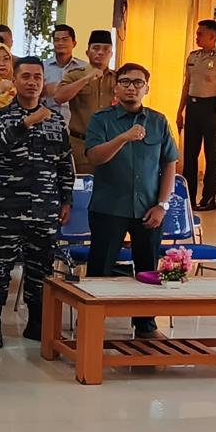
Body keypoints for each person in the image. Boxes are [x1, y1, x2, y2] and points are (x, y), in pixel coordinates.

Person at [0, 57, 74, 349]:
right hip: (10, 207)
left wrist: (66, 198)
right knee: (0, 268)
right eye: (26, 77)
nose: (32, 82)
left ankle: (36, 323)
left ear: (43, 82)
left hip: (44, 208)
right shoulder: (1, 118)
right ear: (16, 81)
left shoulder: (56, 120)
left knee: (40, 269)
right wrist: (26, 123)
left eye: (37, 77)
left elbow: (63, 164)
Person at [84, 63, 178, 339]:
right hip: (109, 208)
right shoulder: (101, 120)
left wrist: (162, 205)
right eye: (125, 81)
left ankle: (146, 324)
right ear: (116, 87)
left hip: (148, 210)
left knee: (148, 269)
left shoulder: (158, 121)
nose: (131, 87)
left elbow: (169, 163)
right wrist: (123, 137)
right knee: (101, 269)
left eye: (138, 83)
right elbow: (95, 157)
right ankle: (93, 324)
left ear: (147, 88)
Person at [178, 19, 216, 211]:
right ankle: (188, 198)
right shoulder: (193, 56)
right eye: (197, 33)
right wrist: (180, 111)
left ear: (212, 36)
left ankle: (209, 199)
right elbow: (187, 85)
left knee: (211, 155)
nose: (197, 37)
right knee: (190, 155)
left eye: (200, 34)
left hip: (210, 107)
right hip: (193, 107)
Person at [55, 30, 117, 173]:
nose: (100, 53)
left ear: (111, 54)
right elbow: (59, 97)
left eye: (106, 49)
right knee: (81, 189)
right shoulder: (75, 75)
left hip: (111, 145)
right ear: (87, 52)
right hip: (81, 145)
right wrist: (86, 79)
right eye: (96, 48)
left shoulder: (118, 78)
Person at [44, 24, 86, 126]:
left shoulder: (84, 68)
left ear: (74, 43)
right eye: (57, 40)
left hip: (76, 127)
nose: (60, 43)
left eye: (64, 39)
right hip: (48, 124)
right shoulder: (43, 68)